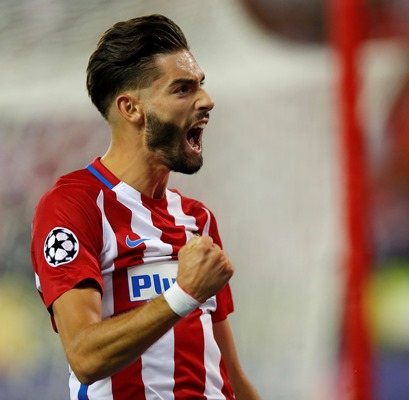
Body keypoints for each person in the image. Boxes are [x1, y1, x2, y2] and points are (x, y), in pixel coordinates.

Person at [30, 14, 260, 400]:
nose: (207, 100)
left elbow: (228, 372)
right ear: (132, 109)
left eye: (201, 85)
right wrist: (182, 294)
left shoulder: (197, 220)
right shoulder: (75, 205)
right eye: (183, 89)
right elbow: (84, 355)